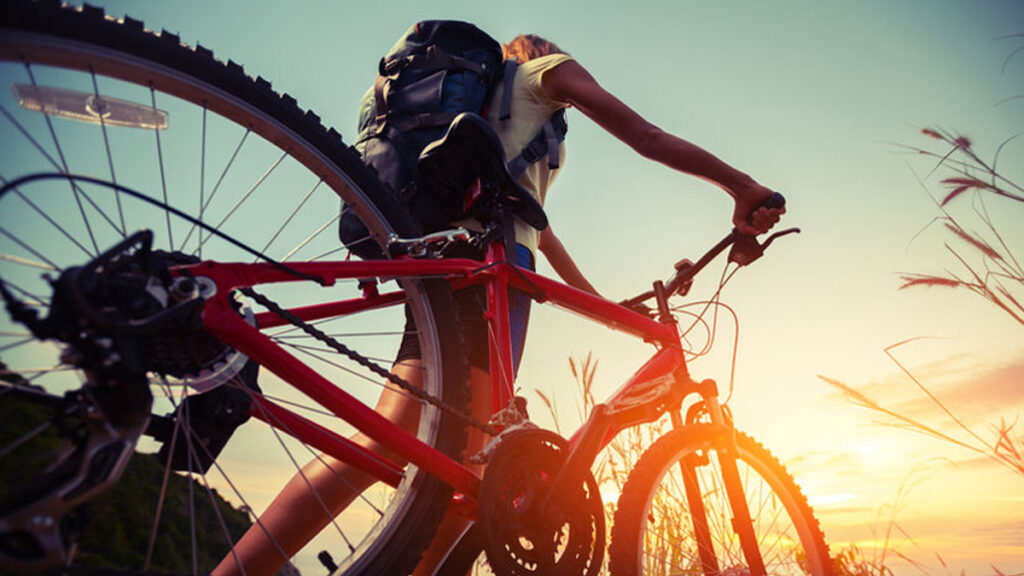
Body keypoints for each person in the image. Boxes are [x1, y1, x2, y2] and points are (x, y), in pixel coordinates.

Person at [212, 32, 782, 576]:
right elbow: (647, 137)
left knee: (455, 474)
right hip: (494, 274)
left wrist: (608, 306)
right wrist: (742, 185)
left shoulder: (498, 116)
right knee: (424, 460)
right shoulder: (546, 75)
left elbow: (542, 232)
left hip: (450, 264)